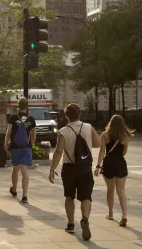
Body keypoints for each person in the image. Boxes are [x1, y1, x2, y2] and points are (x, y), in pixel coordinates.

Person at [49, 103, 101, 241]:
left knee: (69, 197)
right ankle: (84, 219)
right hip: (85, 167)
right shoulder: (88, 127)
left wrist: (52, 169)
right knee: (86, 197)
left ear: (66, 116)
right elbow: (98, 144)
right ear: (80, 114)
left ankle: (71, 224)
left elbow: (59, 151)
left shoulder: (63, 131)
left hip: (69, 168)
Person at [94, 115, 134, 227]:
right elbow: (124, 153)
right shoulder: (125, 136)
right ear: (122, 124)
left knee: (110, 190)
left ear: (110, 123)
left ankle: (111, 213)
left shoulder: (105, 135)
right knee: (121, 191)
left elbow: (102, 152)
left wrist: (98, 166)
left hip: (108, 164)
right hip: (120, 164)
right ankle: (124, 215)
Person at [4, 97, 36, 203]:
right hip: (26, 147)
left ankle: (14, 189)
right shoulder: (31, 119)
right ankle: (25, 195)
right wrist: (31, 144)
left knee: (15, 169)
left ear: (18, 106)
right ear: (27, 106)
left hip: (15, 147)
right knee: (25, 170)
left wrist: (5, 143)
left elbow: (8, 132)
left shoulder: (13, 117)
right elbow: (33, 134)